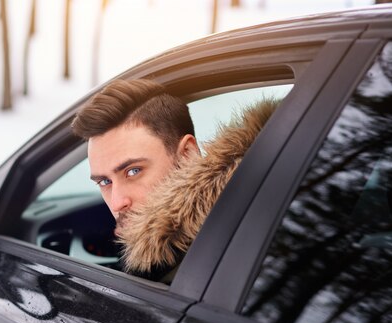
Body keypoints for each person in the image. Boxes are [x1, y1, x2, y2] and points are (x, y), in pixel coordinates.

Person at [71, 78, 279, 283]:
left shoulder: (237, 244)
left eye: (133, 171)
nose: (117, 203)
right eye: (105, 182)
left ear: (187, 155)